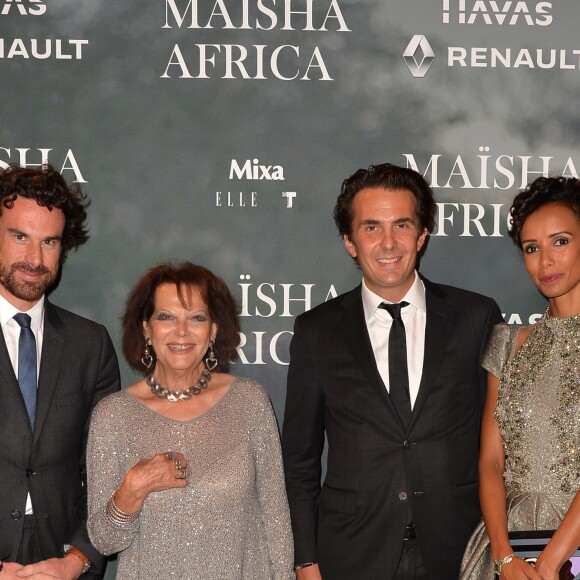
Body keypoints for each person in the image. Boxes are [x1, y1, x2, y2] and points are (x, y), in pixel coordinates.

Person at [281, 163, 503, 580]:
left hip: (460, 550)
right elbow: (299, 461)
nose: (388, 243)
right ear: (350, 241)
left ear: (421, 235)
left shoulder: (476, 316)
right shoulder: (317, 331)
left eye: (401, 225)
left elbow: (497, 442)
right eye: (371, 228)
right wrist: (306, 560)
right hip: (351, 552)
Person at [86, 262, 294, 579]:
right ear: (146, 328)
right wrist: (132, 490)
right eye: (166, 317)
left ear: (212, 331)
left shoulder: (249, 401)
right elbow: (105, 542)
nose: (181, 331)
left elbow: (276, 519)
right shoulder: (113, 416)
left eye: (196, 318)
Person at [0, 165, 120, 579]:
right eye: (20, 237)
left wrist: (77, 560)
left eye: (48, 242)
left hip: (62, 563)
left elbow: (106, 472)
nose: (34, 259)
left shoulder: (91, 345)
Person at [460, 176, 580, 579]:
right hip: (507, 551)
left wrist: (550, 562)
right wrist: (504, 556)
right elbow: (491, 461)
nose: (545, 261)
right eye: (532, 248)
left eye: (560, 241)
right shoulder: (508, 343)